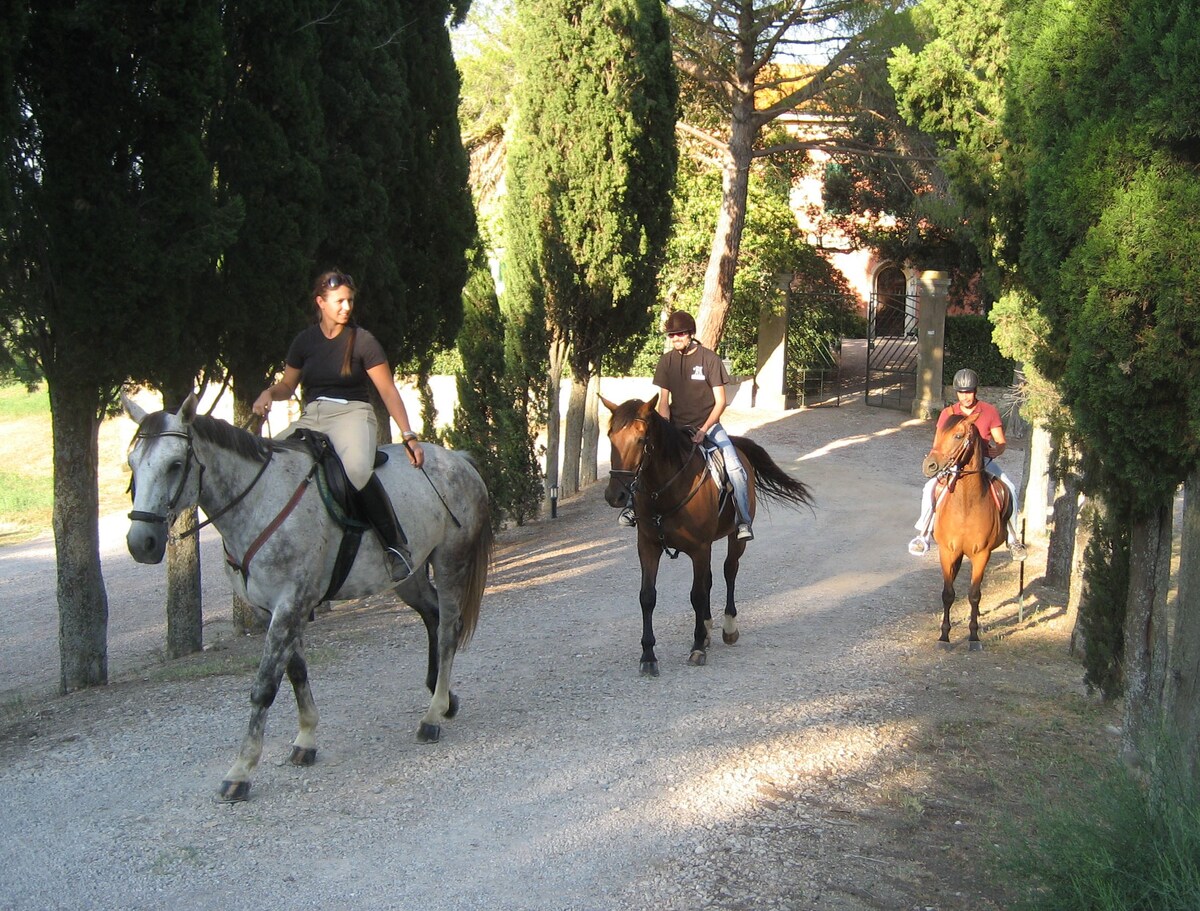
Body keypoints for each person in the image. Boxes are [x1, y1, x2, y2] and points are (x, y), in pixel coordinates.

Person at [253, 270, 424, 579]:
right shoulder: (304, 341)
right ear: (321, 302)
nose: (346, 307)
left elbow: (387, 390)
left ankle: (396, 545)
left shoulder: (363, 341)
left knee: (357, 470)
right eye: (339, 301)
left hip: (353, 413)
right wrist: (268, 393)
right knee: (271, 461)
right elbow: (288, 386)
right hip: (313, 416)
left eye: (350, 301)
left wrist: (408, 434)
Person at [619, 310, 754, 541]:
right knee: (645, 457)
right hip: (676, 426)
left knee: (735, 467)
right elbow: (664, 400)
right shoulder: (666, 361)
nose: (675, 338)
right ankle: (633, 507)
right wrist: (664, 427)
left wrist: (703, 430)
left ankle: (743, 520)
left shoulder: (709, 359)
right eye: (671, 335)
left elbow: (720, 401)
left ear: (690, 333)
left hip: (709, 426)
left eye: (679, 333)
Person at [908, 368, 1027, 561]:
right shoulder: (949, 413)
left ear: (976, 390)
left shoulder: (989, 411)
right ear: (956, 392)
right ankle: (923, 533)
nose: (966, 396)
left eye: (969, 391)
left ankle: (1013, 538)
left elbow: (1000, 439)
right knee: (929, 488)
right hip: (953, 464)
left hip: (982, 462)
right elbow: (938, 441)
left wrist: (1000, 448)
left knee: (1010, 489)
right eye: (962, 392)